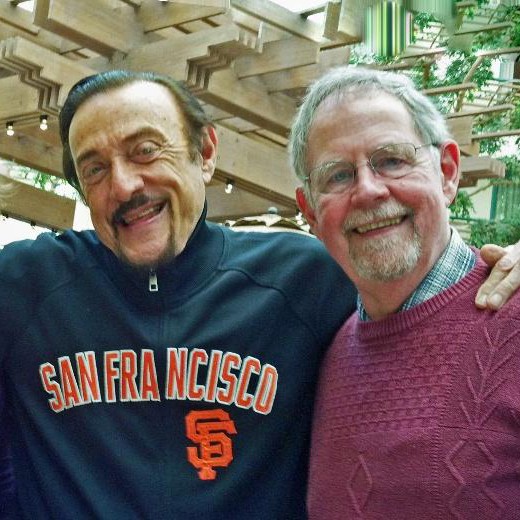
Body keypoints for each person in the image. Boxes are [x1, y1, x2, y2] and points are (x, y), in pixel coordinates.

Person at [0, 69, 517, 519]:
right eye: (94, 169)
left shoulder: (304, 280)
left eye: (147, 150)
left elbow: (413, 285)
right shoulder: (26, 285)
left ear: (205, 154)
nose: (124, 185)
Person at [291, 66, 520, 519]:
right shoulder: (327, 351)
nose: (368, 191)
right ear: (311, 213)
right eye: (337, 176)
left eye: (392, 160)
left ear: (448, 172)